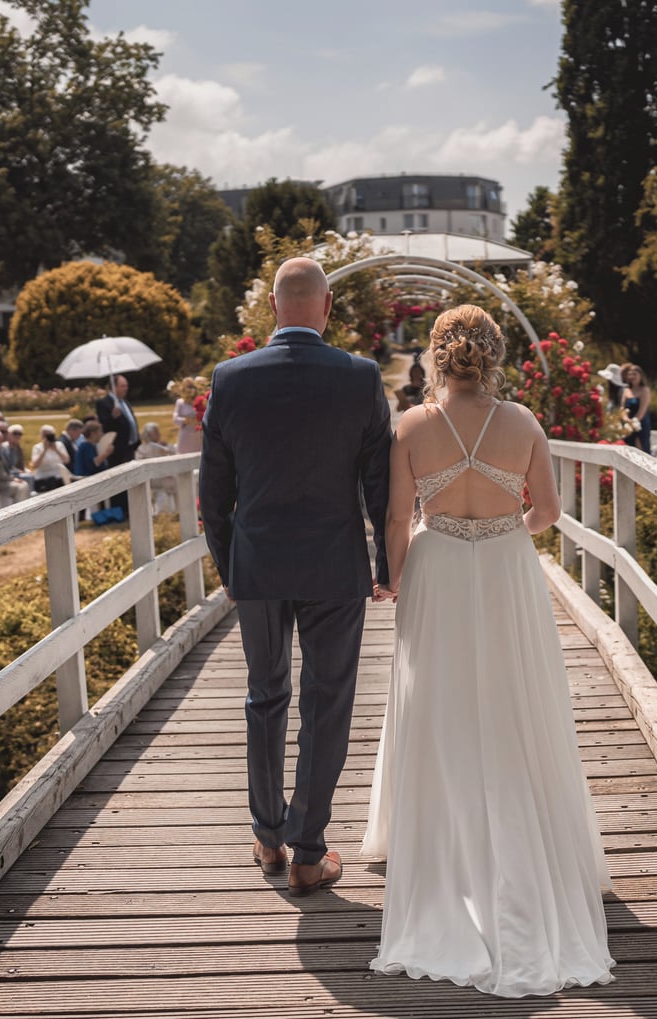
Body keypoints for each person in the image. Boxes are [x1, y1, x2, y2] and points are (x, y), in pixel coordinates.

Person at [360, 304, 613, 996]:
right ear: (496, 354)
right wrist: (507, 529)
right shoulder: (524, 424)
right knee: (515, 702)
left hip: (437, 567)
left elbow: (393, 520)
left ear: (438, 356)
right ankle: (525, 846)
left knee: (437, 706)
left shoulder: (411, 426)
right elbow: (550, 512)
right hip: (506, 567)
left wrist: (399, 579)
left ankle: (445, 849)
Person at [199, 256, 392, 896]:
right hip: (335, 565)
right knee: (328, 702)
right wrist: (387, 567)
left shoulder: (229, 379)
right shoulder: (360, 378)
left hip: (257, 565)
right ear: (328, 307)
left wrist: (229, 568)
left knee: (265, 696)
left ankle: (267, 837)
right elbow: (380, 487)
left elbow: (213, 492)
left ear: (274, 308)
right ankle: (310, 852)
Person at [96, 374, 141, 513]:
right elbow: (104, 426)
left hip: (130, 447)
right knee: (120, 480)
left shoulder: (124, 402)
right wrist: (112, 417)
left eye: (126, 386)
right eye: (122, 386)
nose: (126, 389)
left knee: (131, 478)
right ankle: (120, 511)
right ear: (113, 387)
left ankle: (131, 508)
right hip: (116, 450)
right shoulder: (104, 403)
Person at [620, 362, 653, 453]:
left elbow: (642, 410)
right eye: (630, 374)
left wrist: (633, 423)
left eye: (635, 374)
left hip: (640, 424)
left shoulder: (644, 390)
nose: (632, 376)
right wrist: (625, 419)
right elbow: (622, 408)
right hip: (627, 425)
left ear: (641, 376)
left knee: (641, 451)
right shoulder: (626, 390)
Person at [29, 425, 71, 492]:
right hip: (43, 478)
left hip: (59, 477)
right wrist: (44, 451)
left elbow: (67, 461)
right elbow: (35, 465)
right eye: (46, 435)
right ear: (42, 436)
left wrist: (56, 450)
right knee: (52, 483)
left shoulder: (59, 445)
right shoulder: (37, 447)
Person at [173, 378, 207, 456]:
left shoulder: (200, 401)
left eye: (191, 386)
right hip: (185, 436)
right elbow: (175, 419)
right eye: (187, 386)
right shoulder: (180, 402)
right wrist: (186, 420)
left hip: (199, 436)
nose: (189, 389)